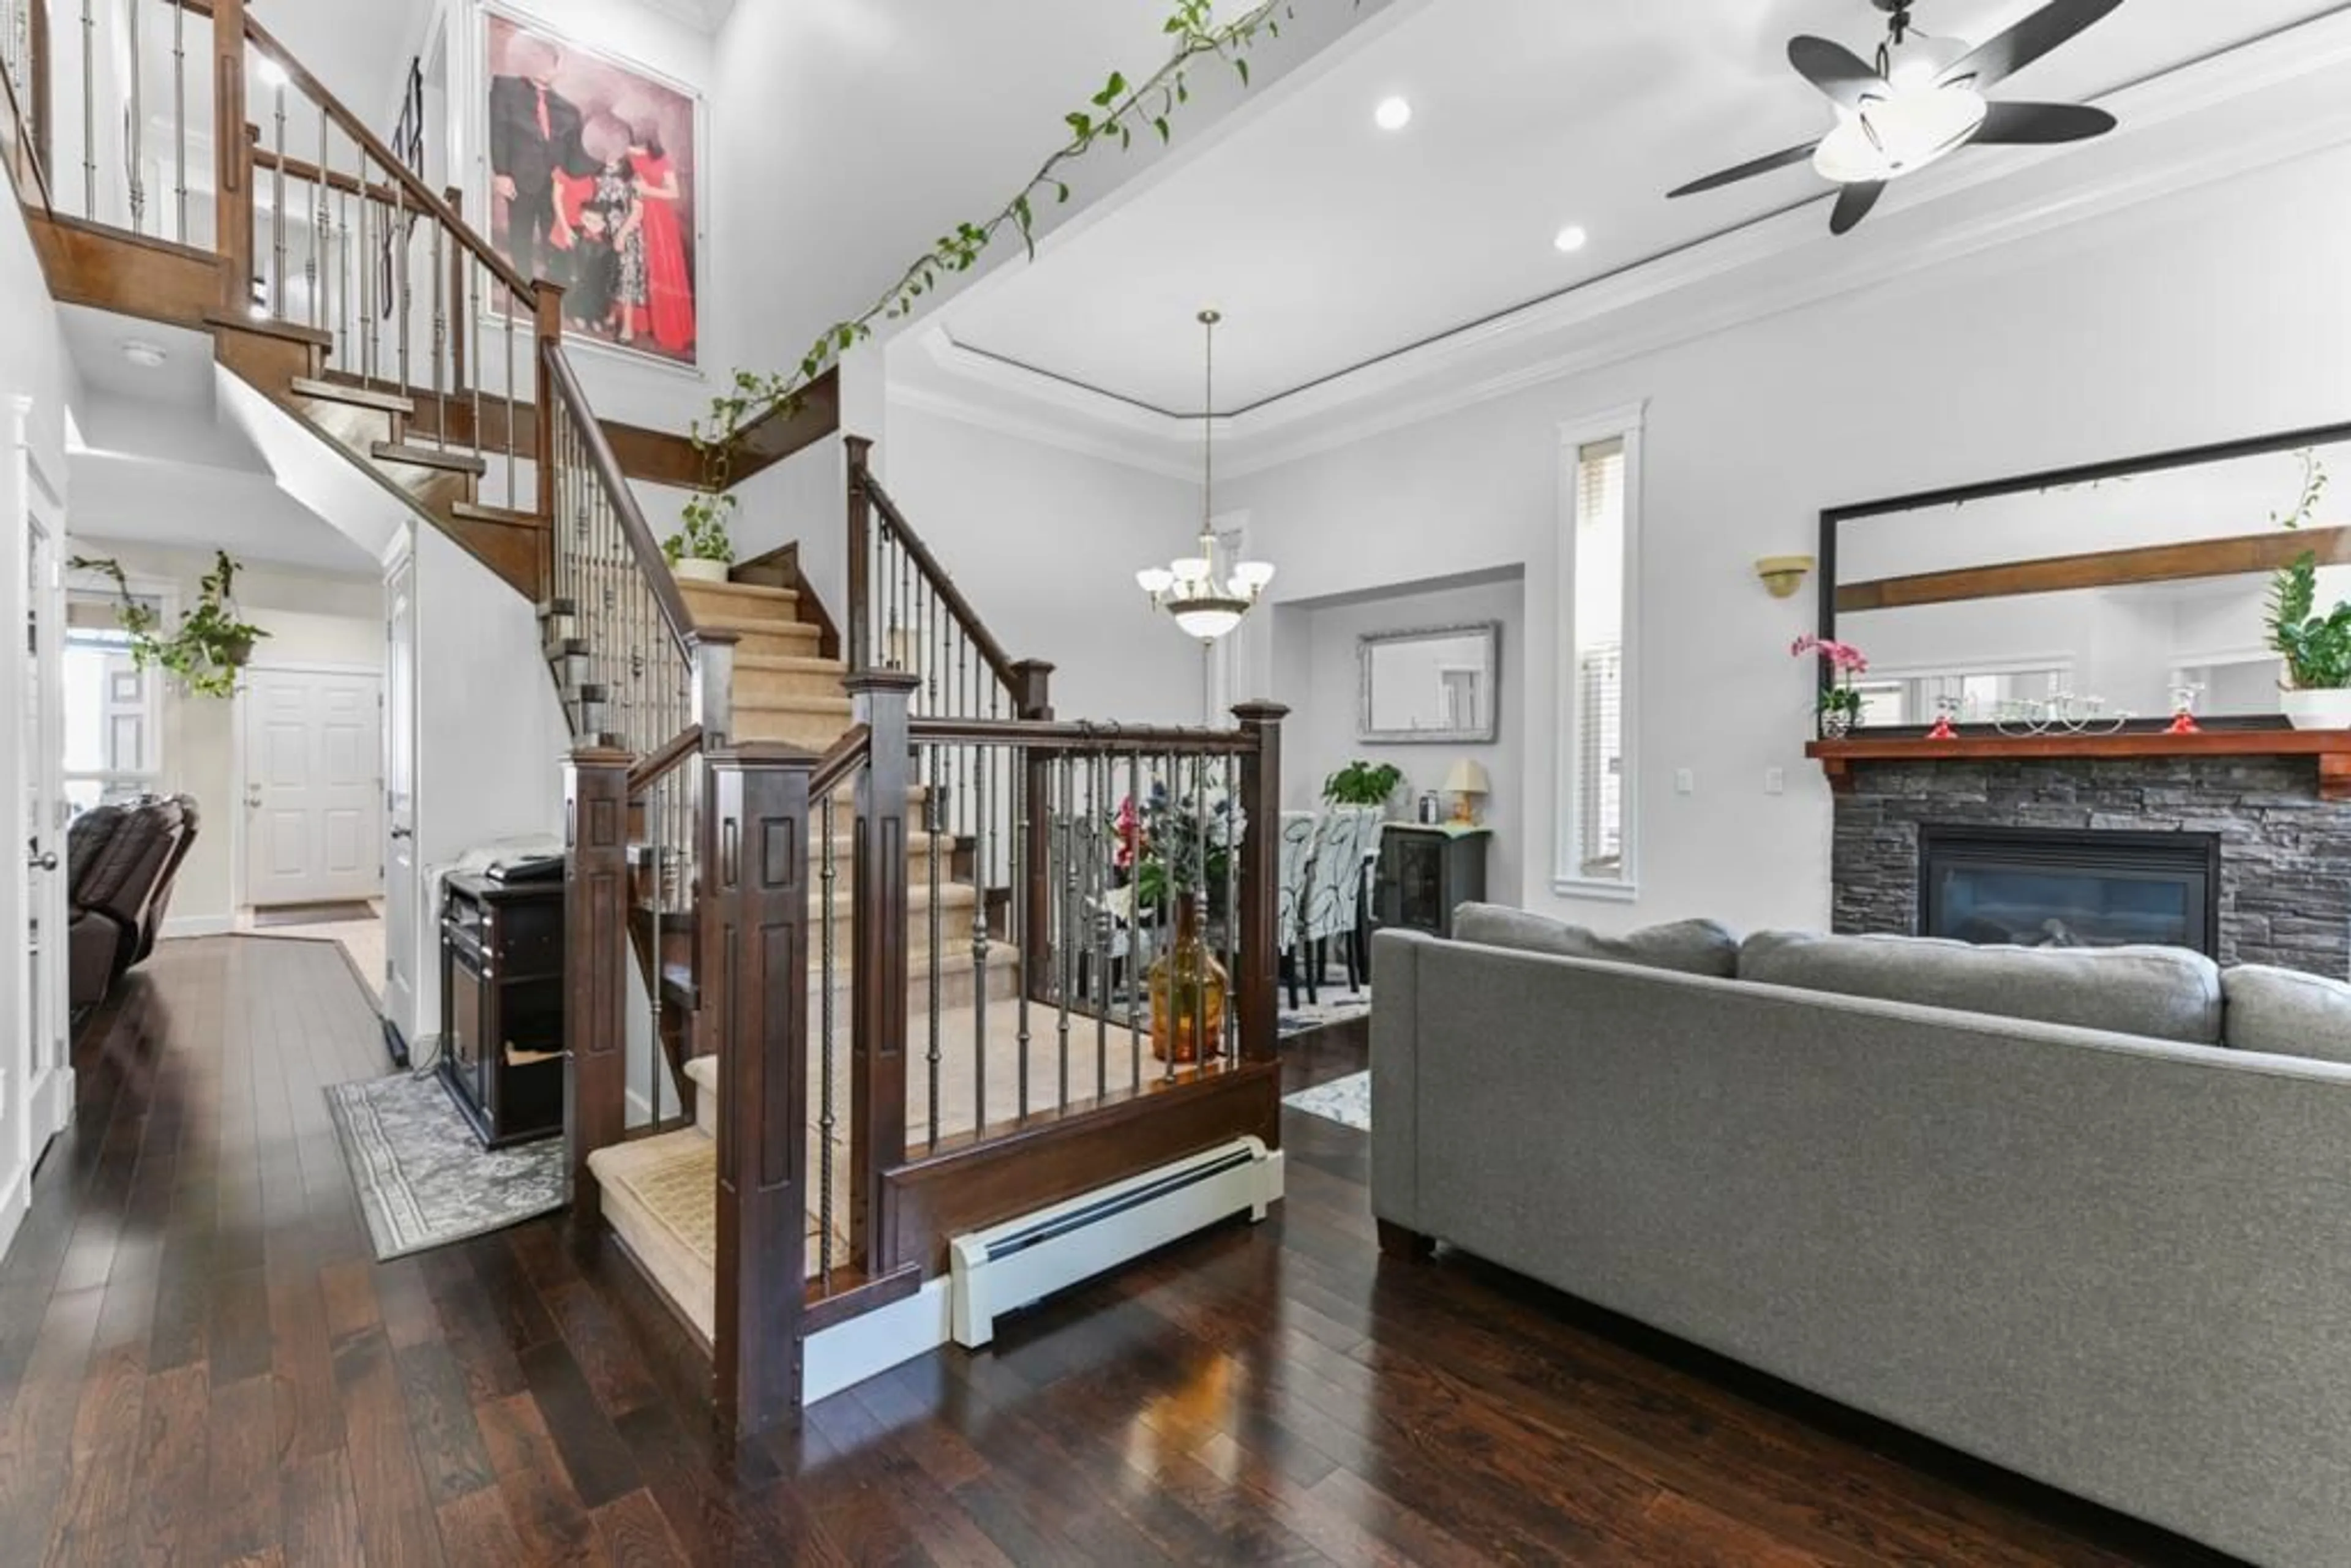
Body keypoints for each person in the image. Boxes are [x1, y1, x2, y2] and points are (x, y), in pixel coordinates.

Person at [487, 34, 588, 283]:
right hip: (521, 180)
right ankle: (521, 285)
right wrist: (501, 173)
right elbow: (498, 131)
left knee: (553, 239)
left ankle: (555, 292)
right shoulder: (505, 88)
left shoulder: (569, 110)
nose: (544, 68)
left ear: (557, 68)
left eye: (550, 64)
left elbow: (576, 155)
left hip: (556, 187)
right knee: (520, 235)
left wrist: (603, 158)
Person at [625, 127, 696, 358]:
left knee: (666, 268)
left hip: (663, 219)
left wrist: (648, 190)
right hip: (640, 216)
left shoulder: (660, 156)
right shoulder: (627, 153)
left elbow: (674, 192)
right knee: (643, 268)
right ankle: (647, 324)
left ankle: (672, 329)